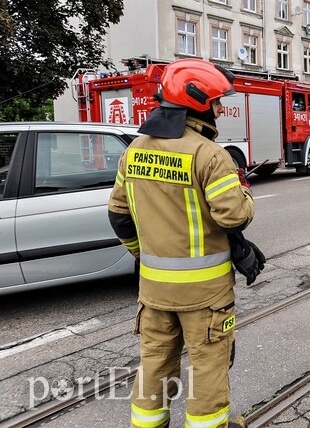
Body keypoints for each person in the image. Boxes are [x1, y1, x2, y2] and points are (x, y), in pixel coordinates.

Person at [108, 59, 264, 428]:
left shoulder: (134, 151)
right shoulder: (209, 155)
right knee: (208, 367)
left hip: (154, 289)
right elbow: (234, 217)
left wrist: (142, 255)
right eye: (216, 101)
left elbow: (118, 215)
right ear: (197, 103)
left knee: (155, 364)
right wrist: (244, 190)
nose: (221, 108)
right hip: (204, 295)